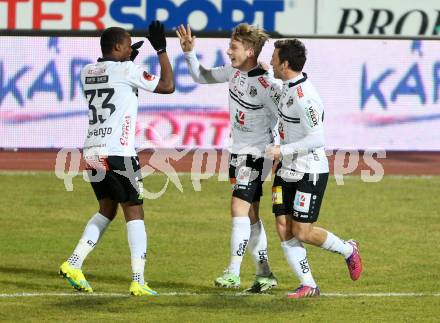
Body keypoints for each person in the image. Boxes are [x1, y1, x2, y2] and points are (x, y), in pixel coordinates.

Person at [59, 22, 175, 296]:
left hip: (92, 151)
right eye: (128, 44)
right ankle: (138, 279)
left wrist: (127, 59)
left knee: (107, 208)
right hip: (118, 152)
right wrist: (161, 49)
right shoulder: (127, 70)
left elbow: (111, 74)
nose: (130, 47)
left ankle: (74, 263)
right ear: (118, 47)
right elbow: (167, 85)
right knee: (134, 210)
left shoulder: (87, 71)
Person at [176, 23, 280, 293]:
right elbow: (201, 76)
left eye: (233, 47)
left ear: (249, 50)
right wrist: (189, 53)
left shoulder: (266, 83)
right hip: (239, 151)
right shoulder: (234, 72)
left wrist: (282, 149)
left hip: (257, 154)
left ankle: (233, 272)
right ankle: (264, 274)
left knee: (238, 207)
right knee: (251, 214)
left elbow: (285, 114)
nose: (228, 51)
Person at [265, 39, 363, 299]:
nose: (272, 61)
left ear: (285, 64)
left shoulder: (305, 96)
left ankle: (347, 250)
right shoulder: (287, 86)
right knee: (283, 226)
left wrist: (281, 150)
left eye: (274, 58)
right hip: (286, 170)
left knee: (302, 231)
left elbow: (317, 138)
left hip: (309, 170)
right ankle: (308, 284)